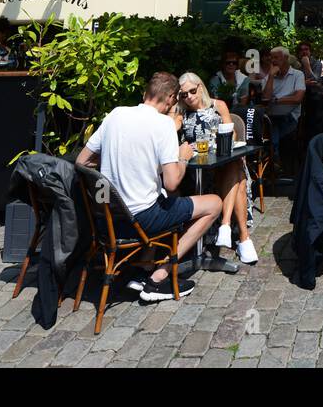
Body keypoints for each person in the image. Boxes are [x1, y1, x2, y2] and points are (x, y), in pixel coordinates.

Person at [76, 73, 223, 303]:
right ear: (172, 99)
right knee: (214, 203)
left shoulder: (116, 114)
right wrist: (183, 157)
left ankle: (142, 268)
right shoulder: (163, 124)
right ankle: (158, 277)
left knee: (164, 197)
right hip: (140, 221)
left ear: (145, 94)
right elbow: (172, 181)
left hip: (106, 219)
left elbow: (82, 162)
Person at [178, 72, 257, 265]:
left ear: (201, 87)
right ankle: (242, 238)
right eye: (183, 94)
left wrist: (223, 135)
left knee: (234, 166)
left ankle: (226, 225)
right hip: (195, 167)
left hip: (220, 160)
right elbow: (171, 129)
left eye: (192, 91)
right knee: (237, 175)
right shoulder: (181, 112)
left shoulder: (218, 105)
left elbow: (232, 135)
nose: (189, 96)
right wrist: (175, 109)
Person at [262, 46, 305, 180]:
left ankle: (274, 165)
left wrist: (277, 100)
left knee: (272, 129)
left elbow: (298, 98)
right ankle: (276, 165)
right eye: (271, 58)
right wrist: (270, 77)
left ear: (286, 58)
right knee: (268, 125)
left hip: (290, 116)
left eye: (276, 58)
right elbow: (266, 98)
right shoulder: (269, 76)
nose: (273, 61)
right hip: (271, 117)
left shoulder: (297, 75)